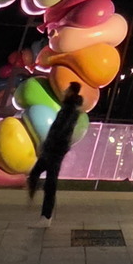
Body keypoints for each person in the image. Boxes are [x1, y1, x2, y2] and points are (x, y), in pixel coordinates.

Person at [26, 82, 87, 222]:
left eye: (67, 89)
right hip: (53, 147)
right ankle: (38, 200)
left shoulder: (70, 109)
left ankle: (46, 216)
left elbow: (62, 130)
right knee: (38, 175)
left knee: (50, 182)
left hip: (56, 149)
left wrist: (52, 144)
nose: (65, 91)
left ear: (71, 91)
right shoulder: (68, 107)